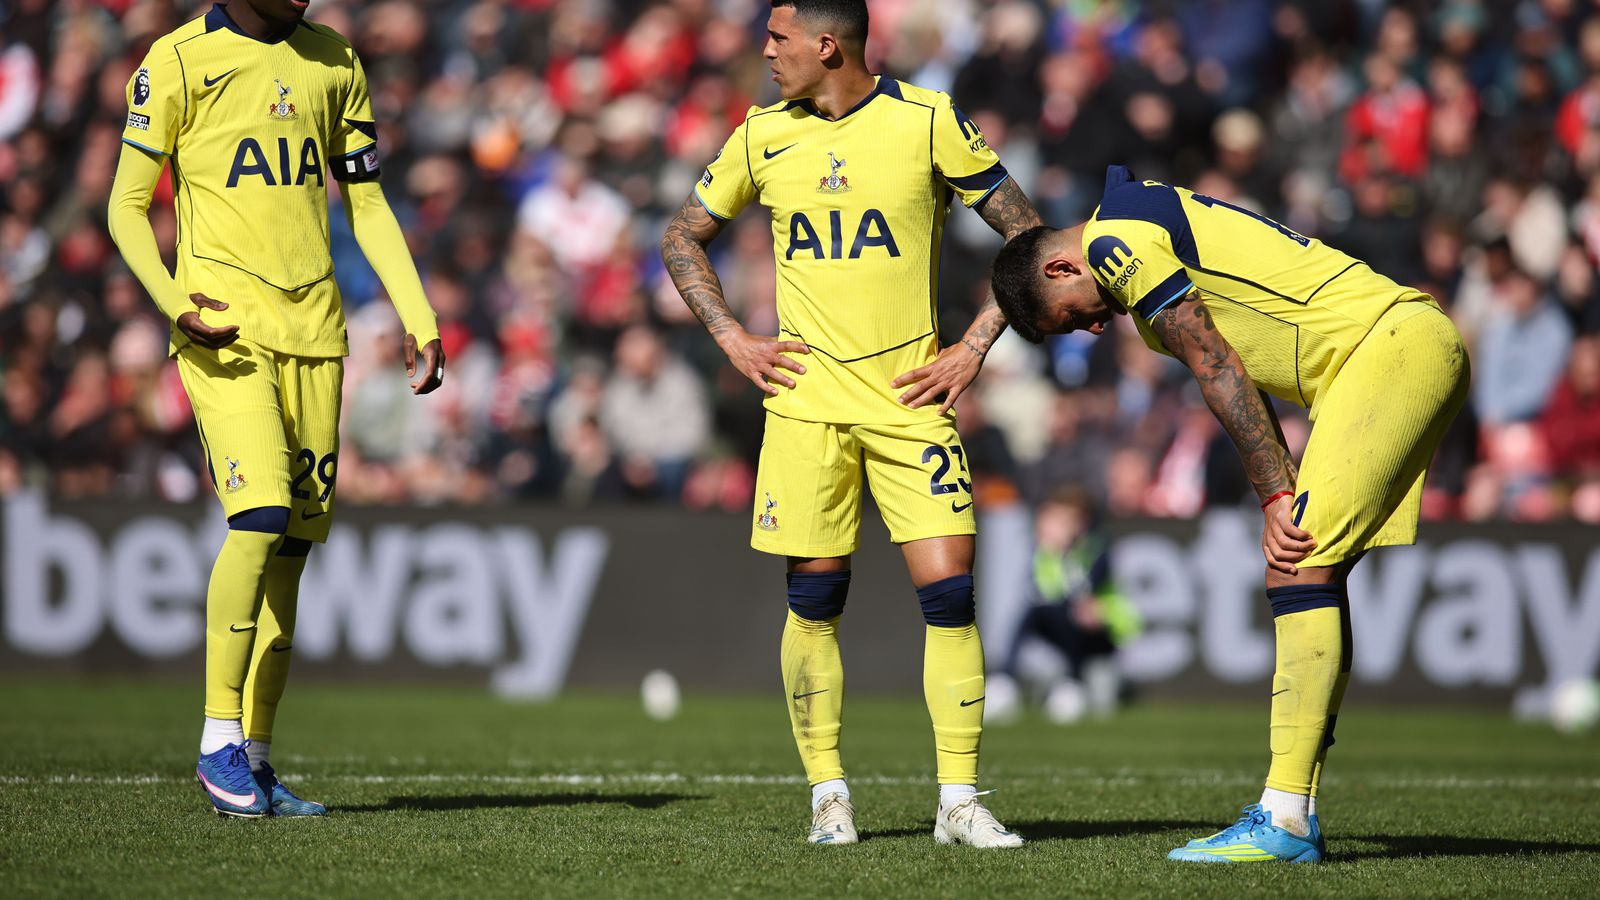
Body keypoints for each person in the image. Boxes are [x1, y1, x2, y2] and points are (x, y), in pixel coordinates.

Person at [989, 165, 1469, 863]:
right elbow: (1233, 357)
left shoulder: (1112, 244)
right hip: (1382, 354)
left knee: (1297, 562)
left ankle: (1286, 819)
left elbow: (1216, 362)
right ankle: (1293, 807)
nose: (1091, 329)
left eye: (1072, 316)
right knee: (1316, 580)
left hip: (1384, 351)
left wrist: (1275, 494)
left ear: (1064, 266)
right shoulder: (1129, 214)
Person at [659, 0, 1041, 848]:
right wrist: (732, 337)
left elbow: (1029, 239)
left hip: (912, 400)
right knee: (815, 600)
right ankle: (829, 796)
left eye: (777, 39)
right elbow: (682, 237)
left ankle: (959, 802)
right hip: (806, 405)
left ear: (828, 44)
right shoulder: (761, 135)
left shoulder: (928, 120)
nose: (764, 53)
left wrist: (974, 347)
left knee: (950, 596)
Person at [108, 0, 444, 817]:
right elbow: (123, 205)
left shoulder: (336, 61)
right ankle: (216, 739)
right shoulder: (179, 59)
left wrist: (419, 314)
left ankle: (256, 756)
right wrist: (172, 300)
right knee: (258, 516)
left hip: (317, 335)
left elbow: (365, 202)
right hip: (225, 333)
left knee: (291, 547)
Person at [989, 486, 1140, 724]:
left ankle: (1072, 683)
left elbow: (1085, 592)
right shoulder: (1044, 552)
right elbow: (1043, 593)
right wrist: (1055, 553)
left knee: (1077, 613)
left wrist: (1065, 554)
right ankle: (1004, 681)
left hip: (1104, 629)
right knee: (1030, 613)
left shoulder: (1097, 548)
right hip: (1065, 623)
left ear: (1081, 522)